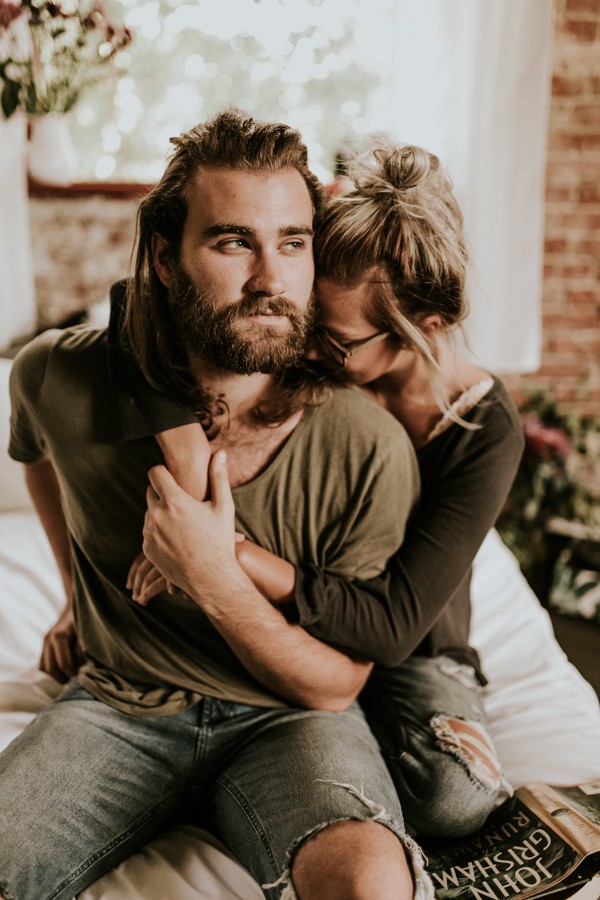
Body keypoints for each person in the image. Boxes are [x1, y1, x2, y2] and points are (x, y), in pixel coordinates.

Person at [1, 111, 429, 900]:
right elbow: (35, 455)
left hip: (291, 720)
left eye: (293, 243)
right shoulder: (52, 376)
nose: (271, 279)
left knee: (374, 884)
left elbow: (334, 687)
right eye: (234, 242)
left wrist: (211, 573)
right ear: (166, 258)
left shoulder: (369, 447)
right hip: (119, 700)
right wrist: (75, 594)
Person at [124, 139, 525, 841]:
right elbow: (131, 305)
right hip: (295, 627)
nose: (306, 351)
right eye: (311, 325)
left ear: (422, 328)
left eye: (333, 343)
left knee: (456, 797)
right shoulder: (312, 361)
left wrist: (225, 553)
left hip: (410, 642)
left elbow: (396, 625)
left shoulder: (484, 429)